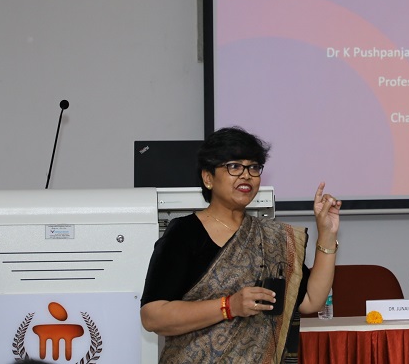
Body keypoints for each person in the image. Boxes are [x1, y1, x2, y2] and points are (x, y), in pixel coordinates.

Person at [140, 126, 341, 363]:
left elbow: (311, 301)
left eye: (253, 167)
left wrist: (327, 234)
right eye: (234, 166)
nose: (246, 175)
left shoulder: (273, 237)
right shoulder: (184, 233)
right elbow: (153, 316)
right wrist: (228, 306)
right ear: (208, 178)